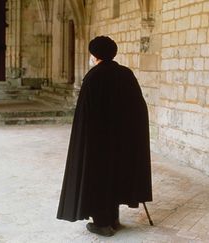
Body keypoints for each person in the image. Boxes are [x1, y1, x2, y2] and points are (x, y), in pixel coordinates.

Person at [57, 36, 152, 237]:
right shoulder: (126, 74)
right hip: (122, 141)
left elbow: (86, 116)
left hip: (99, 143)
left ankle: (102, 223)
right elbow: (139, 109)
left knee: (99, 178)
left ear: (95, 55)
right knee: (116, 175)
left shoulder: (93, 77)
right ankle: (114, 219)